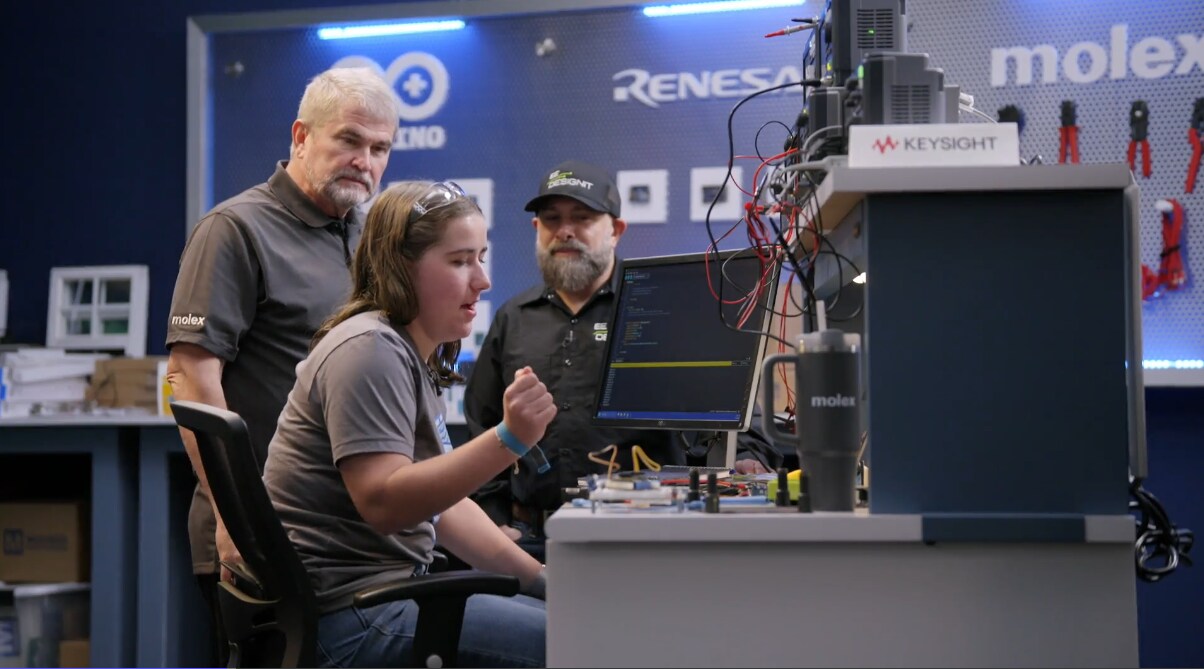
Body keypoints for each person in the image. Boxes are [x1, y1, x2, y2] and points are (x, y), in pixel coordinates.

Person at [164, 65, 402, 655]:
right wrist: (237, 521)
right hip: (260, 534)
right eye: (348, 140)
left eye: (380, 148)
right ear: (301, 137)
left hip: (350, 538)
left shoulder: (373, 235)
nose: (364, 161)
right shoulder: (235, 229)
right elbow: (191, 379)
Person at [262, 181, 550, 668]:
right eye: (460, 261)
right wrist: (509, 440)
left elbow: (443, 508)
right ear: (400, 267)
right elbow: (385, 502)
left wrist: (543, 582)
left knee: (575, 616)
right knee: (588, 639)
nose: (482, 280)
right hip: (351, 619)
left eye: (481, 257)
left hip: (380, 598)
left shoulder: (402, 348)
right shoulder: (369, 350)